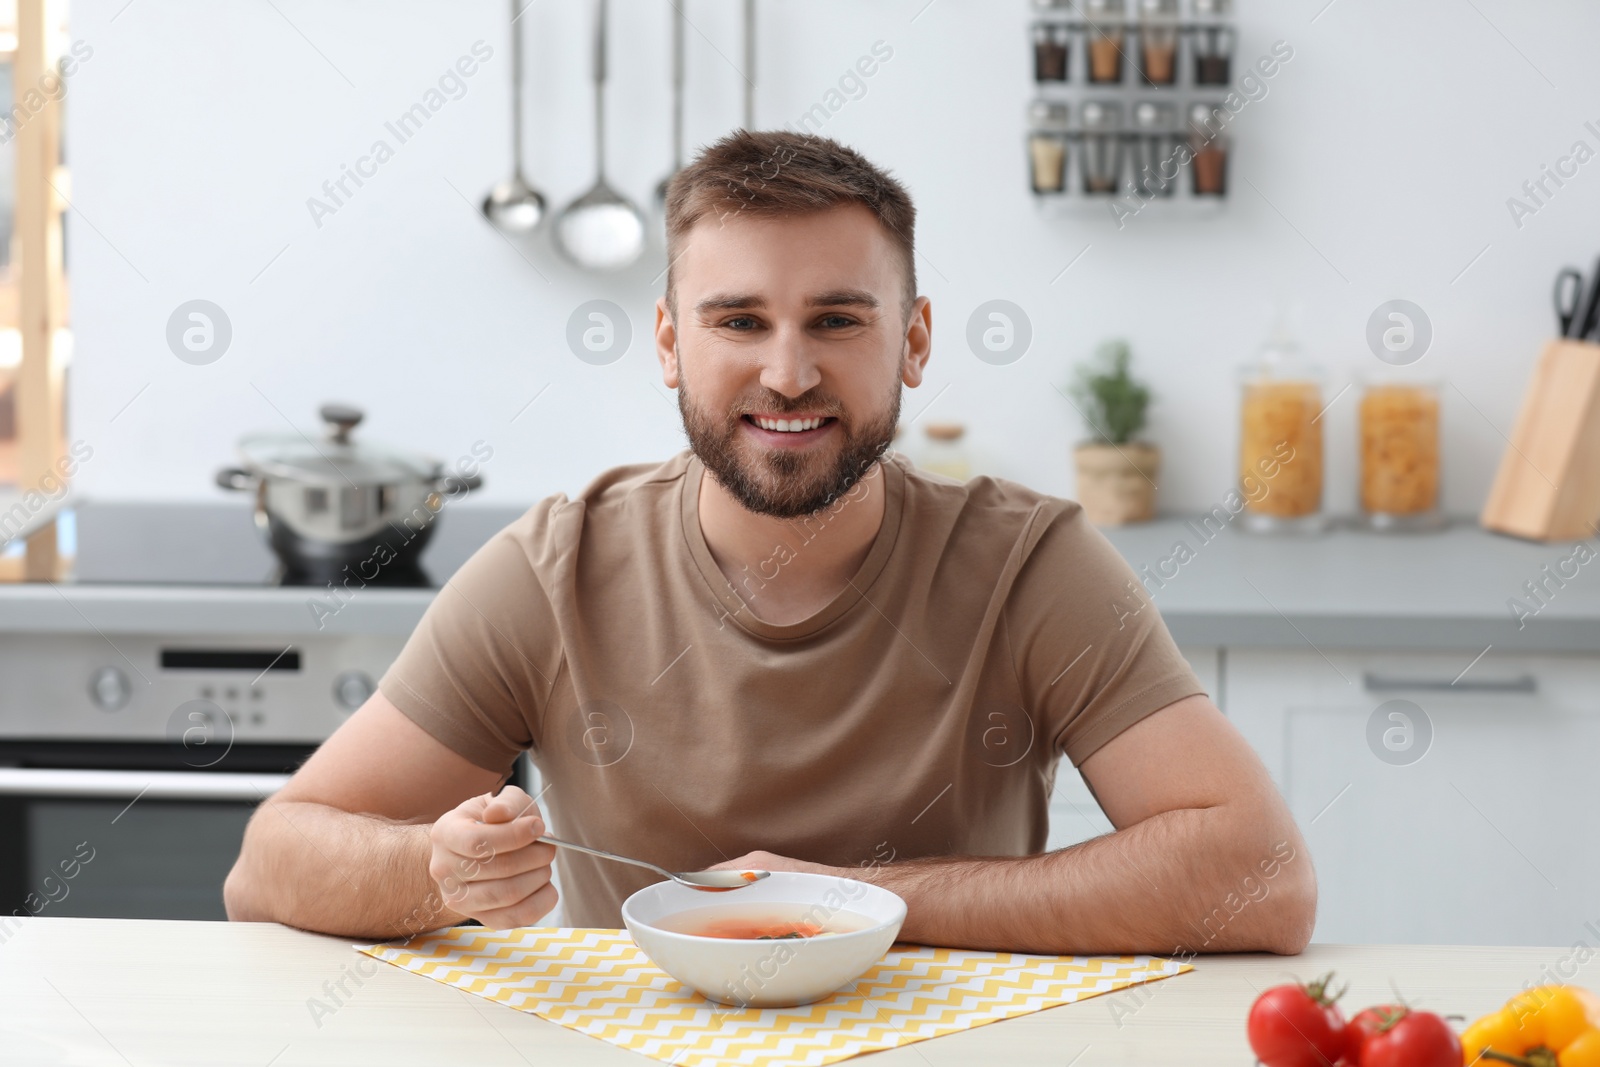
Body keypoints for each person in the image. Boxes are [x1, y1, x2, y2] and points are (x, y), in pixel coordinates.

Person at [225, 130, 1315, 956]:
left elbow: (1260, 876)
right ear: (667, 342)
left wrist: (860, 902)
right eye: (737, 321)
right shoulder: (552, 570)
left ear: (914, 339)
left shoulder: (1033, 565)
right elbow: (268, 863)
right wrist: (434, 865)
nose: (787, 371)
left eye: (837, 320)